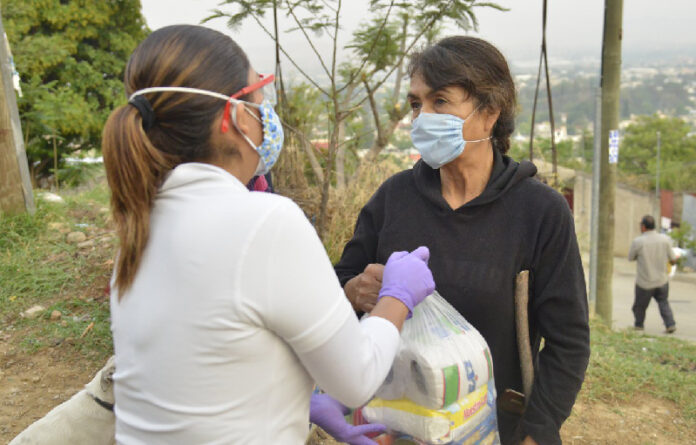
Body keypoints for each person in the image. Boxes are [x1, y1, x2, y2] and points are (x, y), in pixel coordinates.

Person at [102, 25, 435, 445]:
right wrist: (397, 298)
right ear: (233, 115)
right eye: (260, 97)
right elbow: (358, 380)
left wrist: (300, 399)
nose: (267, 115)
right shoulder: (265, 222)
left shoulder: (141, 224)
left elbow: (208, 363)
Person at [334, 36, 590, 445]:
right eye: (417, 104)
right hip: (394, 430)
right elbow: (339, 283)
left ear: (489, 113)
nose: (423, 117)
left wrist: (536, 433)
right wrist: (354, 290)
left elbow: (569, 342)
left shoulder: (539, 211)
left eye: (440, 102)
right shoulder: (395, 197)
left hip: (491, 431)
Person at [628, 215, 677, 333]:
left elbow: (631, 257)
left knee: (639, 306)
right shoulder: (665, 240)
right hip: (662, 280)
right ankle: (670, 324)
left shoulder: (638, 242)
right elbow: (673, 259)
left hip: (645, 282)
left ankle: (639, 325)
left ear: (643, 227)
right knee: (663, 303)